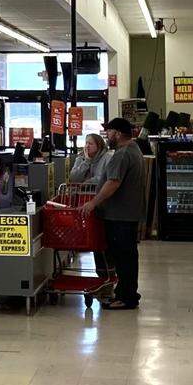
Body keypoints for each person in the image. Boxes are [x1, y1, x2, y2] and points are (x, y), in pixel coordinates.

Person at [80, 118, 146, 310]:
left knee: (123, 258)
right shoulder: (134, 149)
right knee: (128, 256)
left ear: (117, 133)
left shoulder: (122, 154)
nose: (106, 136)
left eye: (108, 132)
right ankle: (127, 294)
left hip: (119, 215)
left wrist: (93, 202)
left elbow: (113, 183)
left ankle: (126, 297)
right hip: (128, 213)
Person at [69, 133, 111, 277]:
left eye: (90, 143)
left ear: (99, 146)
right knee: (88, 237)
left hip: (101, 202)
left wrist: (85, 183)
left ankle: (106, 274)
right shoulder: (81, 158)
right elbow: (74, 177)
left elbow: (101, 179)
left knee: (101, 239)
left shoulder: (107, 157)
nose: (87, 146)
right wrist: (86, 162)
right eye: (86, 143)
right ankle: (101, 274)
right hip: (82, 203)